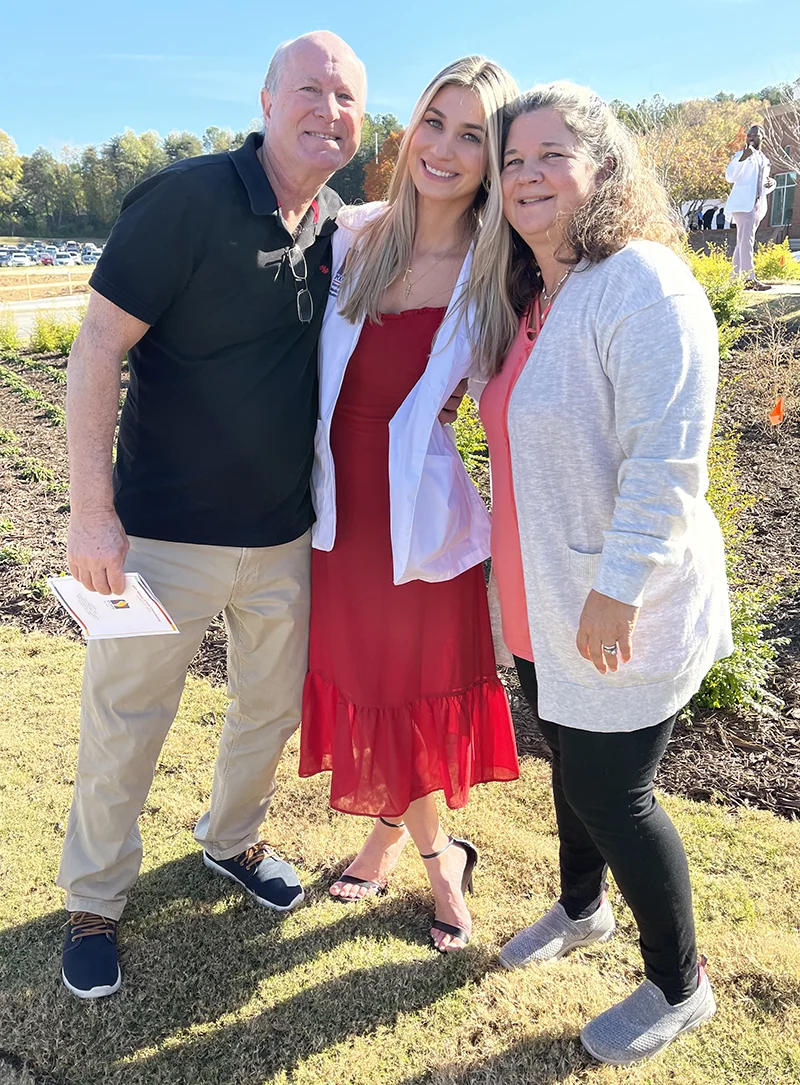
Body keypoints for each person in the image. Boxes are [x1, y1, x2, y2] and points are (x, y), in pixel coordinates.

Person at [58, 31, 368, 1000]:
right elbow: (96, 349)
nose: (328, 109)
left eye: (347, 98)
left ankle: (230, 841)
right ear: (268, 98)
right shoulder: (186, 199)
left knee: (267, 710)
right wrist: (89, 514)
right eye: (310, 89)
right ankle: (93, 900)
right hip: (154, 535)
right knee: (125, 722)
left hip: (280, 539)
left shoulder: (334, 228)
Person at [468, 82, 733, 1063]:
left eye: (551, 153)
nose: (528, 174)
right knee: (571, 771)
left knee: (612, 790)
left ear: (602, 167)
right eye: (513, 161)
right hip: (541, 598)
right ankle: (581, 908)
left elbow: (667, 458)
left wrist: (615, 588)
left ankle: (679, 981)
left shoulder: (640, 283)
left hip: (618, 603)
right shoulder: (537, 293)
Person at [300, 57, 520, 953]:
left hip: (415, 520)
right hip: (336, 513)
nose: (445, 147)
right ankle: (397, 838)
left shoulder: (498, 269)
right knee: (370, 686)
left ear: (493, 158)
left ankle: (438, 860)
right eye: (437, 121)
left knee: (405, 693)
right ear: (411, 128)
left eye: (473, 135)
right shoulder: (352, 236)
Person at [724, 124, 777, 289]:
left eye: (755, 135)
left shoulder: (764, 160)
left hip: (756, 207)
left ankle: (735, 279)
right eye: (749, 135)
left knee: (742, 242)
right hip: (742, 205)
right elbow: (730, 177)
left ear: (763, 138)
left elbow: (759, 184)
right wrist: (742, 158)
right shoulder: (741, 155)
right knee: (747, 241)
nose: (751, 138)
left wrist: (771, 183)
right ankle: (749, 280)